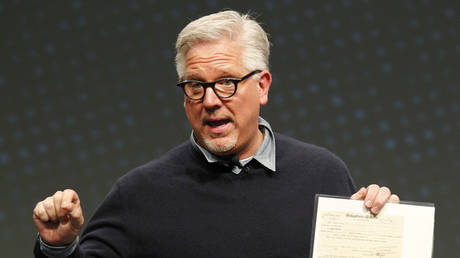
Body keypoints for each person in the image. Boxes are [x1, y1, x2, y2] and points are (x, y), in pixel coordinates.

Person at [33, 10, 399, 257]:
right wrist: (58, 248)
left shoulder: (322, 173)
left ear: (263, 86)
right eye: (195, 85)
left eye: (226, 82)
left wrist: (386, 233)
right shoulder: (141, 192)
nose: (209, 100)